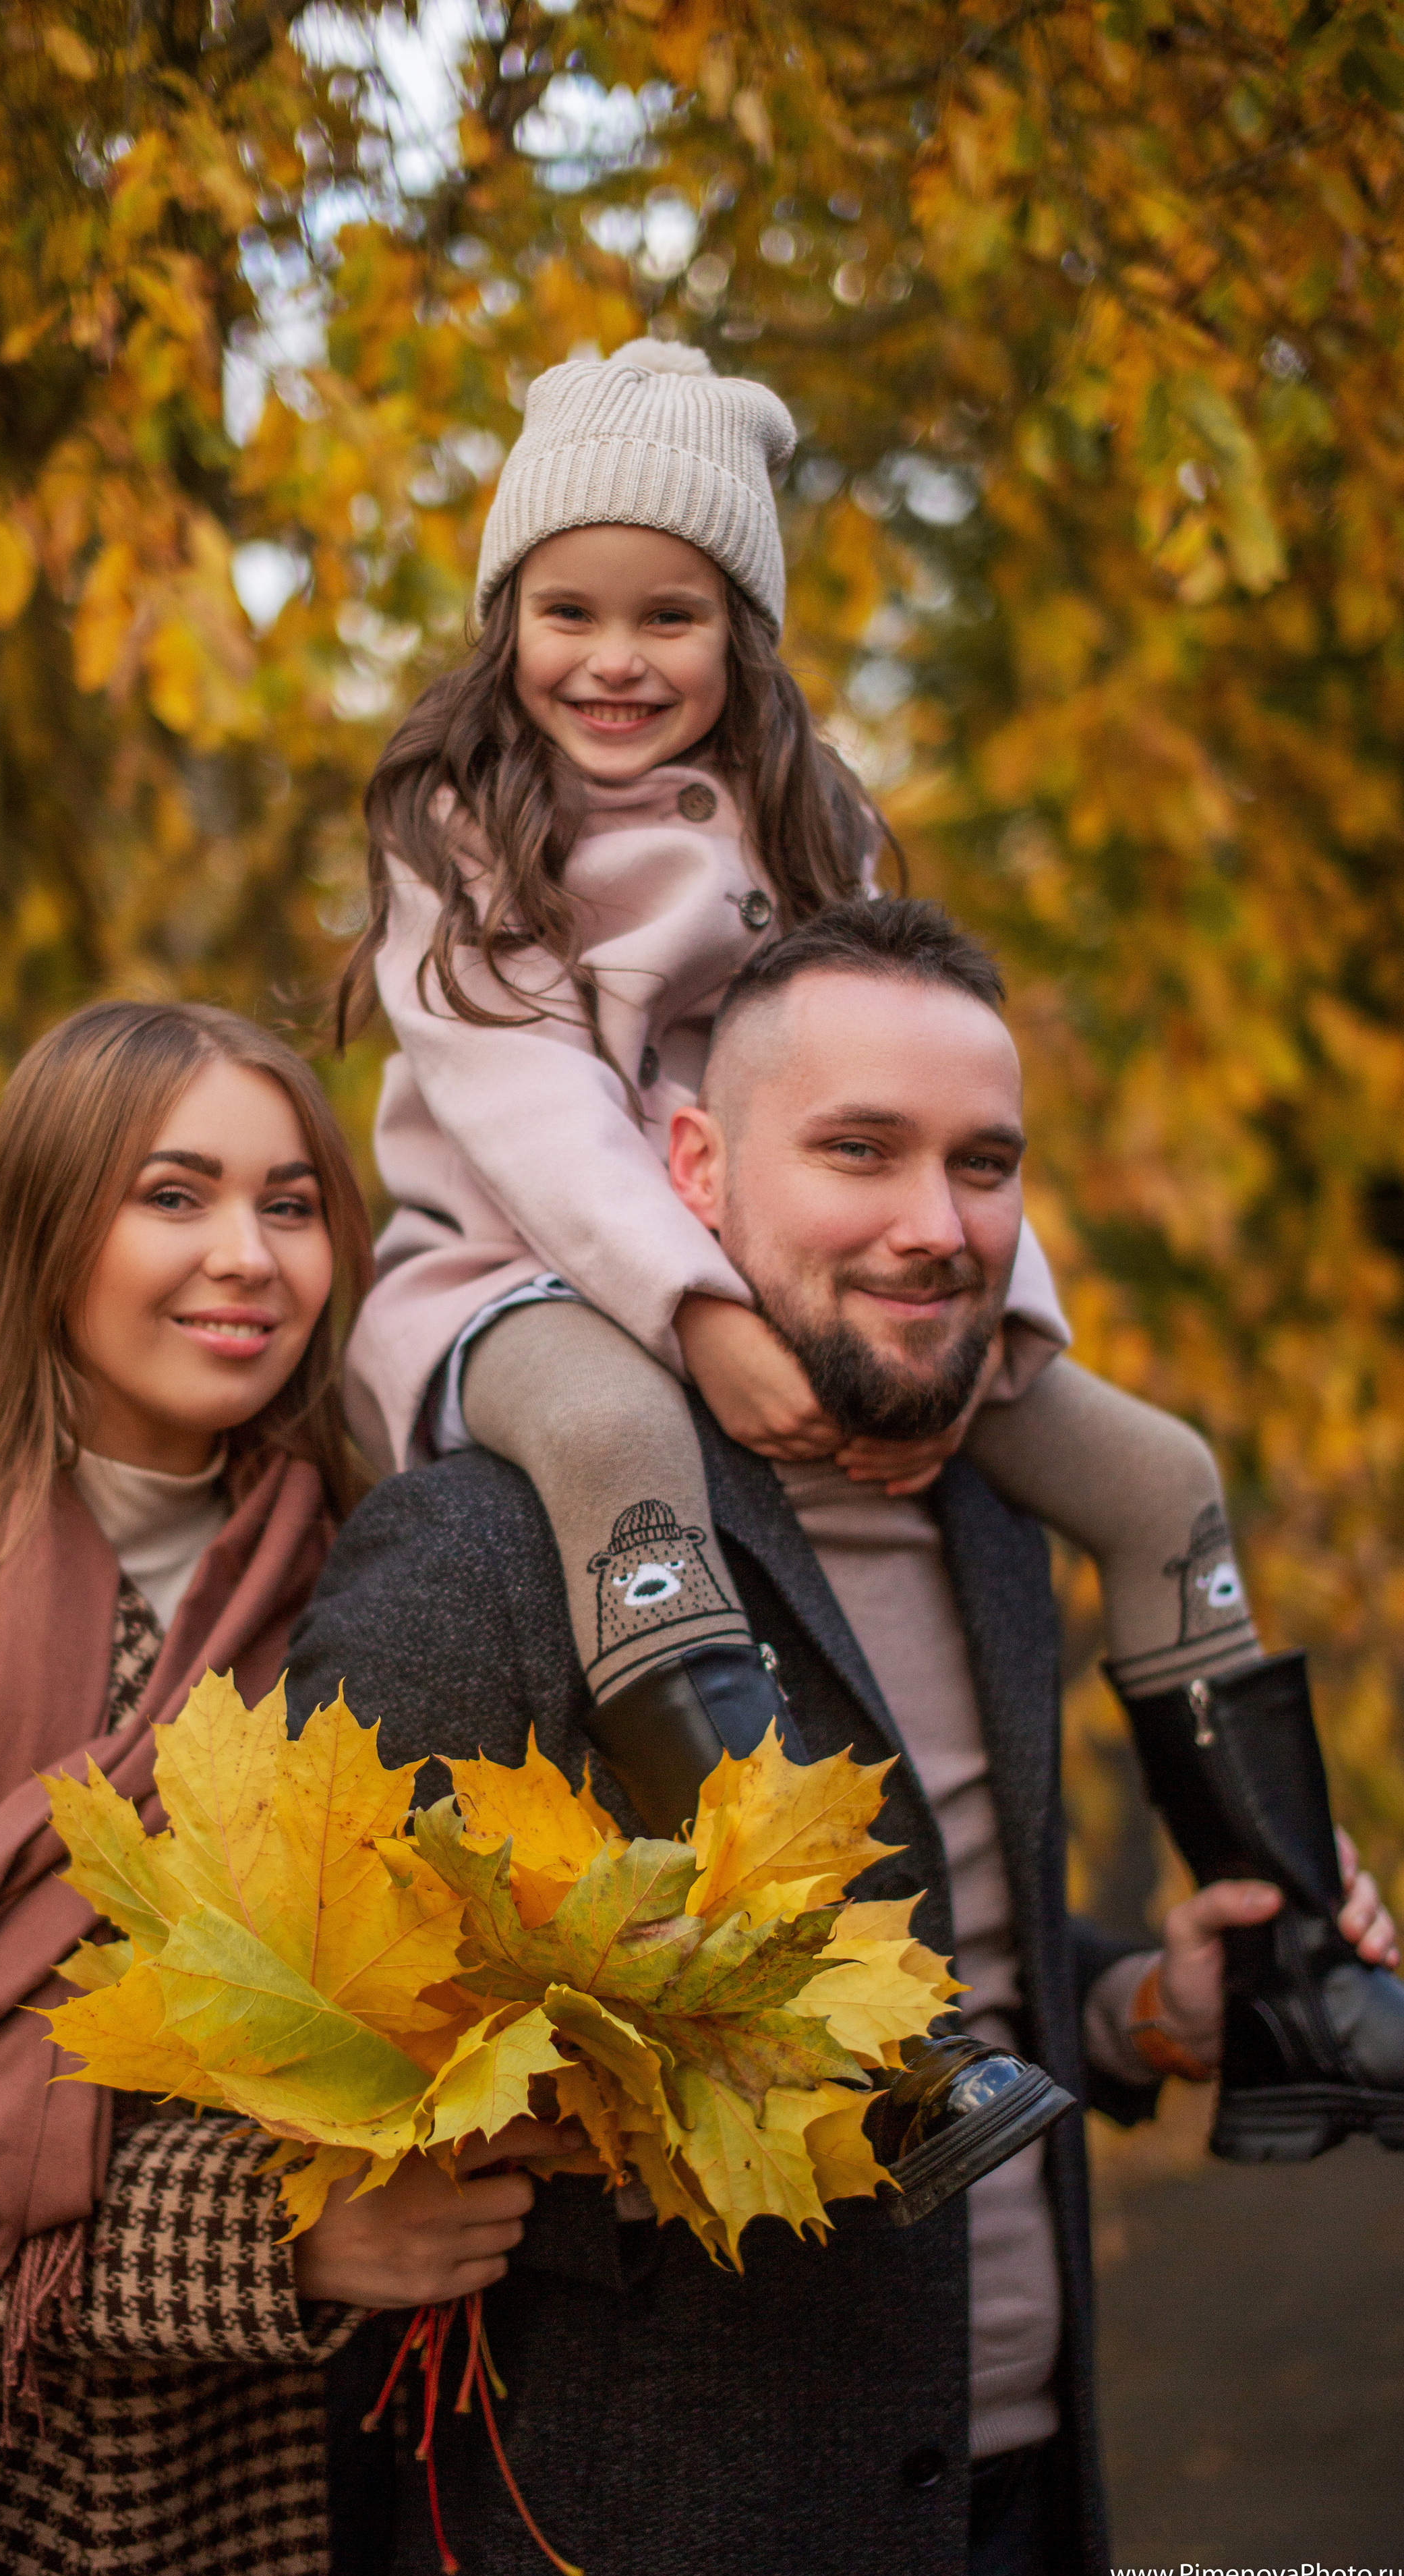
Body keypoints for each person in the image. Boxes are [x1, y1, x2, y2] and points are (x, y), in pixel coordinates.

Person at [287, 896, 1399, 2576]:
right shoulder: (485, 1548)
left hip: (1014, 2494)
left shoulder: (995, 1533)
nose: (932, 1225)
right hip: (662, 2532)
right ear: (693, 1167)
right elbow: (315, 2078)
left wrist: (1138, 2007)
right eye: (858, 1152)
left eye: (981, 1165)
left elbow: (964, 1951)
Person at [338, 334, 1266, 1891]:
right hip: (518, 1284)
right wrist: (697, 1316)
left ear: (738, 636)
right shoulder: (467, 830)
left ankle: (1292, 1950)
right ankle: (800, 1919)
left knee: (1155, 1475)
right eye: (568, 612)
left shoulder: (812, 817)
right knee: (619, 1433)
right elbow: (535, 1110)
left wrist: (987, 1339)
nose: (613, 659)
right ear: (508, 623)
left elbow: (922, 1091)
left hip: (781, 1269)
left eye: (669, 617)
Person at [0, 1002, 575, 2576]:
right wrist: (290, 2242)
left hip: (455, 2471)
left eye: (290, 1204)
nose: (249, 1254)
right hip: (125, 2515)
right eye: (175, 1195)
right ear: (46, 1237)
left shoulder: (388, 1585)